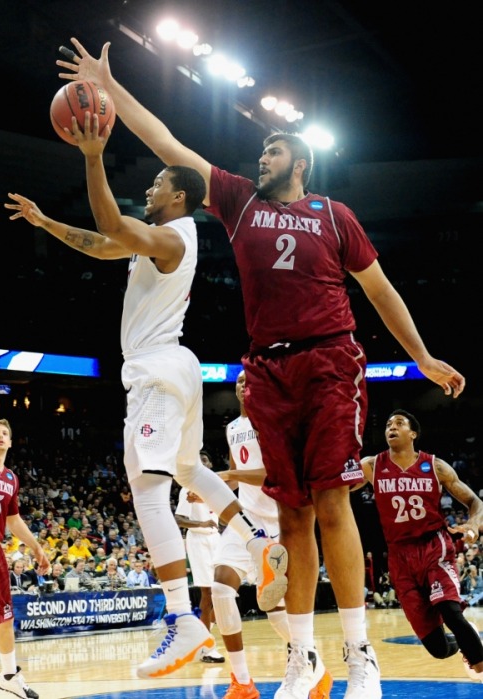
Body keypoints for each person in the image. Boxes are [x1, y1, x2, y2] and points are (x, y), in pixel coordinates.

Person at [54, 38, 466, 699]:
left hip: (330, 358)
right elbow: (167, 143)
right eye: (262, 151)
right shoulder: (239, 198)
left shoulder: (334, 214)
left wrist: (419, 353)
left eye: (273, 150)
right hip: (268, 372)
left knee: (332, 502)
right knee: (295, 517)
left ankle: (361, 656)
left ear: (299, 162)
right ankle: (302, 655)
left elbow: (381, 290)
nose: (261, 157)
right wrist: (111, 85)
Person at [5, 117, 287, 680]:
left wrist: (93, 155)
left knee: (147, 490)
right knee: (187, 468)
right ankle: (257, 543)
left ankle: (182, 618)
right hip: (175, 367)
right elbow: (100, 242)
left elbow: (110, 219)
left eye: (157, 183)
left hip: (156, 373)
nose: (149, 189)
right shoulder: (156, 244)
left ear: (178, 196)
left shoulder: (170, 235)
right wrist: (44, 221)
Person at [358, 409, 483, 681]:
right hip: (399, 556)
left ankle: (480, 661)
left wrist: (474, 523)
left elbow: (476, 502)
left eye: (399, 423)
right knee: (437, 648)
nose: (391, 427)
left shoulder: (435, 466)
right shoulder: (372, 465)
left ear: (413, 433)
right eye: (388, 424)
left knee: (450, 611)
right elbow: (336, 487)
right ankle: (468, 637)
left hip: (433, 546)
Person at [212, 369, 302, 699]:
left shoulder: (271, 423)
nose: (242, 384)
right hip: (245, 521)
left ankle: (313, 667)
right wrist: (211, 487)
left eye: (248, 380)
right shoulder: (233, 428)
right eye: (238, 381)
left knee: (274, 609)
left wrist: (226, 474)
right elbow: (238, 479)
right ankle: (242, 682)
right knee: (221, 586)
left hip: (278, 521)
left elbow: (270, 474)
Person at [0, 418, 49, 698]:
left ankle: (9, 676)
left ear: (10, 443)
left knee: (4, 618)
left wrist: (36, 548)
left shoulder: (11, 478)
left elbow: (13, 519)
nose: (0, 436)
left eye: (4, 433)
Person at [175, 450, 225, 664]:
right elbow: (178, 519)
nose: (202, 463)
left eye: (205, 459)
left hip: (216, 539)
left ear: (211, 463)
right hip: (199, 540)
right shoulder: (188, 489)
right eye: (198, 460)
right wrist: (202, 524)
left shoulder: (215, 488)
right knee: (208, 592)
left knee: (224, 590)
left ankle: (201, 634)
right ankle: (206, 647)